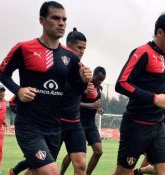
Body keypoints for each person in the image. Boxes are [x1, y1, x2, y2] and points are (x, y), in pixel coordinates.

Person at [0, 1, 92, 175]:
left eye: (64, 19)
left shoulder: (70, 57)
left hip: (55, 125)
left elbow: (76, 90)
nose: (61, 23)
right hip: (29, 125)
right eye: (55, 18)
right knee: (51, 172)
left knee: (35, 171)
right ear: (42, 20)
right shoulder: (24, 48)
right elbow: (2, 73)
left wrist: (84, 81)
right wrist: (18, 90)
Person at [113, 12, 165, 175]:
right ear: (160, 32)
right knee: (123, 173)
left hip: (158, 126)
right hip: (135, 126)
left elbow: (158, 89)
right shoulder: (142, 52)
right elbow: (121, 84)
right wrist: (154, 98)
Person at [58, 28, 88, 175]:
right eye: (79, 47)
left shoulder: (81, 69)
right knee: (37, 169)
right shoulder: (56, 65)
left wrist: (84, 84)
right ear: (68, 46)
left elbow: (77, 92)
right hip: (54, 122)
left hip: (74, 123)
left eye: (84, 48)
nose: (82, 51)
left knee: (81, 165)